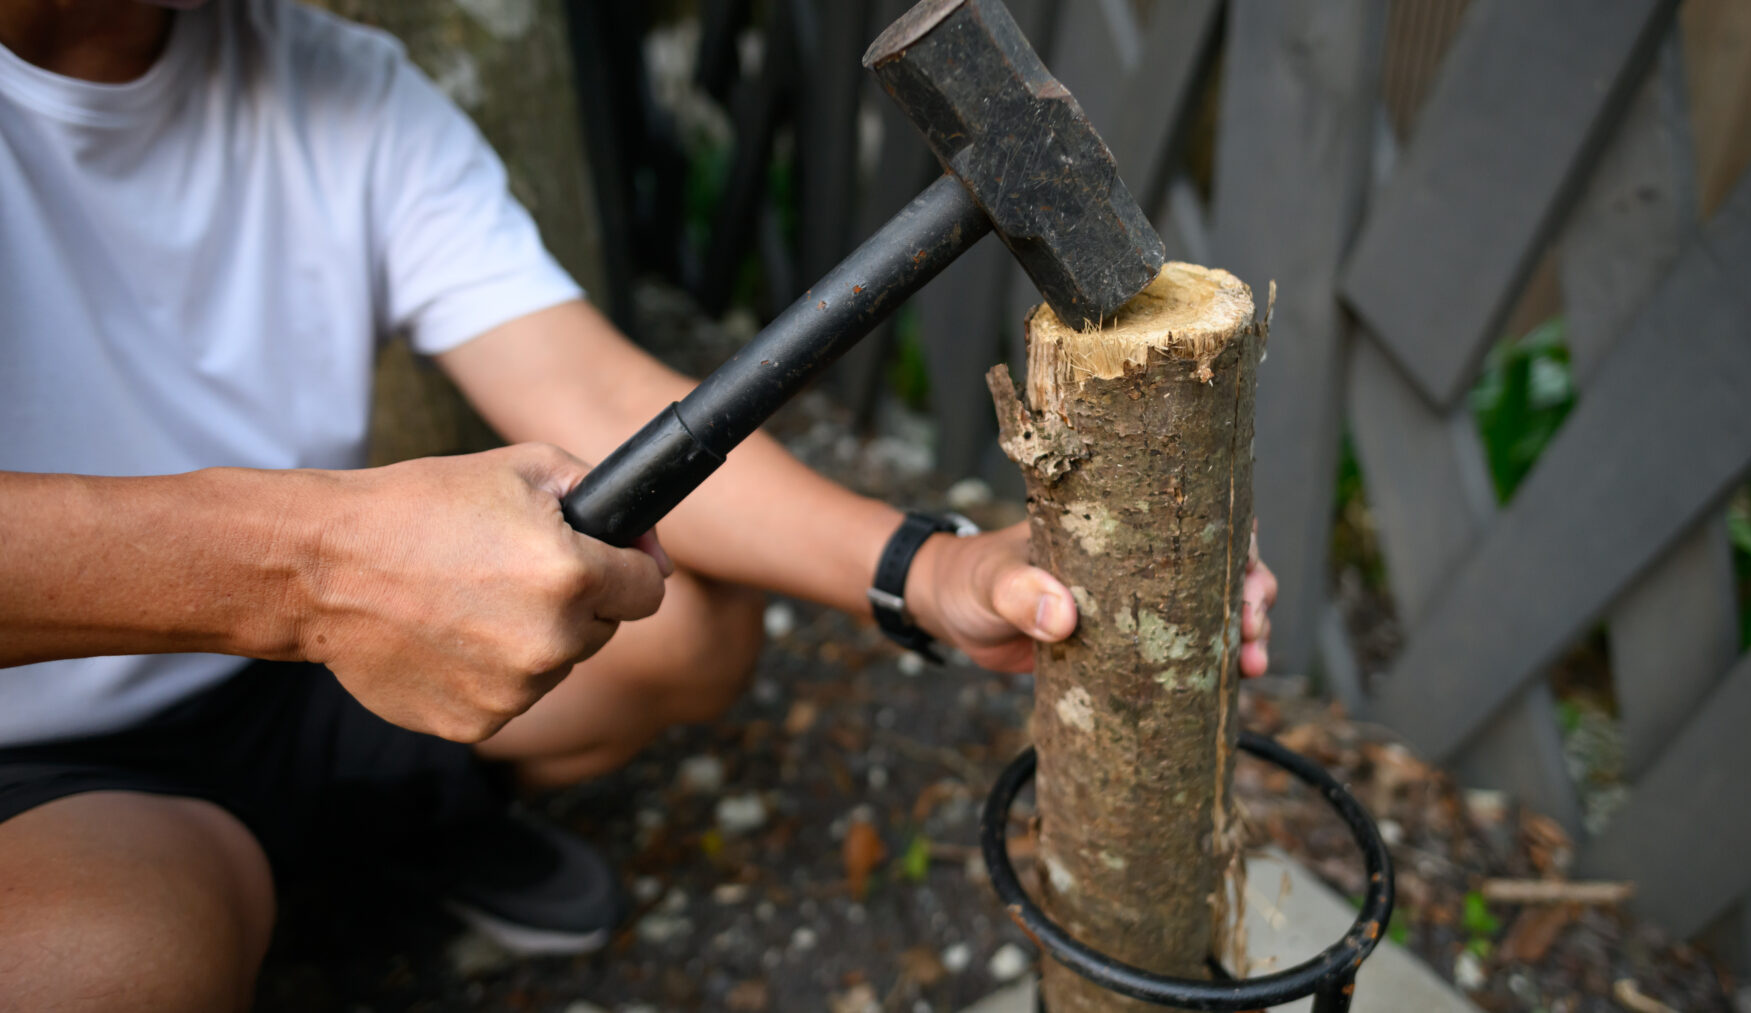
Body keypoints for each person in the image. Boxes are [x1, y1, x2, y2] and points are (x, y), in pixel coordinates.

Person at [0, 0, 1281, 1009]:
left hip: (291, 673)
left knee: (677, 622)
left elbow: (578, 381)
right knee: (111, 966)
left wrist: (926, 569)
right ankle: (235, 873)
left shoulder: (338, 87)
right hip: (38, 745)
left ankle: (356, 854)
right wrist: (313, 570)